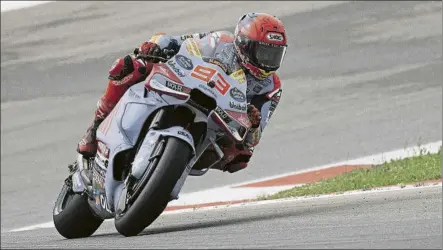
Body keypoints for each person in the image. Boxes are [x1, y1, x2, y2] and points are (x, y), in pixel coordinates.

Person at [77, 12, 287, 173]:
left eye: (275, 55)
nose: (268, 62)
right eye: (264, 53)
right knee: (130, 65)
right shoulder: (220, 41)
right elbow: (179, 42)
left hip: (223, 119)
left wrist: (253, 123)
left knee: (241, 156)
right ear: (244, 44)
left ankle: (176, 167)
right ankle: (95, 125)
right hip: (188, 84)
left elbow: (254, 140)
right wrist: (155, 46)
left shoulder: (271, 86)